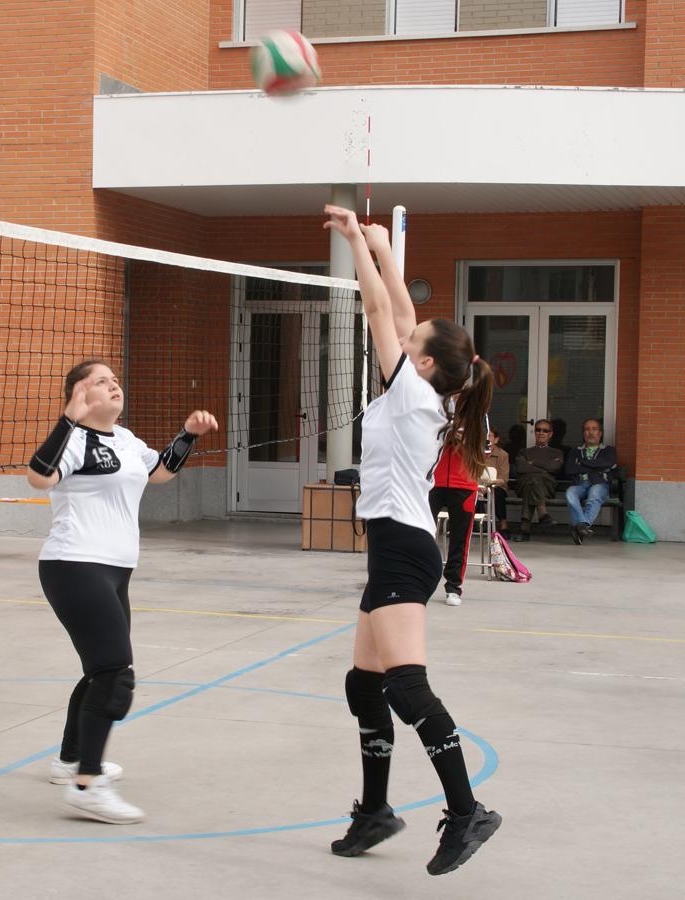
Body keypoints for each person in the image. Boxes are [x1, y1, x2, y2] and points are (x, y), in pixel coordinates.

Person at [324, 205, 501, 876]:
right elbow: (400, 315)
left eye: (416, 339)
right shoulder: (436, 392)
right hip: (395, 545)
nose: (406, 332)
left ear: (422, 362)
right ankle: (376, 811)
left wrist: (354, 245)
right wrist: (383, 251)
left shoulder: (413, 396)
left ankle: (466, 812)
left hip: (402, 548)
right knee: (363, 687)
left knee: (406, 688)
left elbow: (380, 313)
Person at [27, 359, 217, 825]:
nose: (113, 386)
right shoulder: (74, 440)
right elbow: (38, 476)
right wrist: (67, 421)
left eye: (114, 381)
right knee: (116, 675)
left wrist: (187, 434)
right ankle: (88, 785)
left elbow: (161, 471)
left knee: (99, 671)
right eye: (100, 382)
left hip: (114, 569)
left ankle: (70, 760)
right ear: (78, 396)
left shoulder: (126, 439)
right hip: (74, 564)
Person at [429, 443, 478, 607]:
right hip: (432, 482)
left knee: (460, 539)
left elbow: (484, 451)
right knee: (421, 534)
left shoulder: (476, 419)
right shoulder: (436, 416)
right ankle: (417, 582)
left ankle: (453, 588)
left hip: (464, 484)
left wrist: (463, 441)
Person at [564, 418, 617, 545]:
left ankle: (579, 527)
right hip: (580, 484)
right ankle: (583, 527)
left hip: (599, 483)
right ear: (583, 433)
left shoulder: (608, 450)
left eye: (594, 429)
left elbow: (608, 462)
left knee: (594, 494)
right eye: (587, 429)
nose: (590, 432)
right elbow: (569, 469)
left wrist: (581, 463)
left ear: (600, 433)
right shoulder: (575, 451)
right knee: (570, 493)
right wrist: (595, 466)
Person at [512, 420, 563, 542]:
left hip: (547, 487)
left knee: (532, 482)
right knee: (533, 482)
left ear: (550, 434)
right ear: (534, 432)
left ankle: (524, 529)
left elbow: (554, 468)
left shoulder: (557, 452)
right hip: (524, 485)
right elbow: (521, 468)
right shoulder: (524, 452)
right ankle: (543, 513)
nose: (541, 433)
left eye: (545, 430)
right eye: (538, 429)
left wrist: (533, 463)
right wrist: (544, 470)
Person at [485, 426, 511, 539]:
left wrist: (490, 483)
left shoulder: (503, 454)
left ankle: (503, 524)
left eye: (489, 436)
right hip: (478, 486)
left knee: (498, 493)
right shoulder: (475, 452)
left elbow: (503, 478)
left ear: (496, 439)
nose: (486, 439)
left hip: (496, 485)